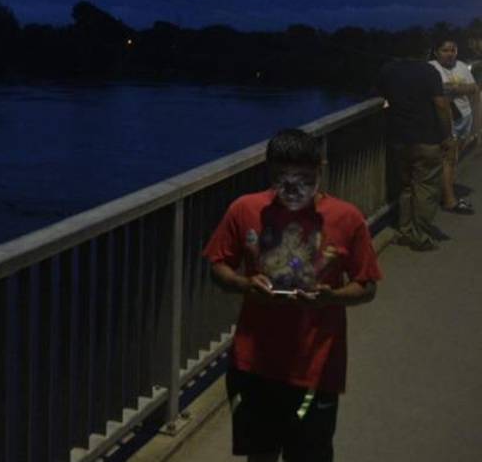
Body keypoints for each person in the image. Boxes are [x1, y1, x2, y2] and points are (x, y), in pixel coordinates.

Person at [203, 129, 381, 462]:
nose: (293, 186)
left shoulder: (347, 218)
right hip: (253, 365)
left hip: (316, 368)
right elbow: (218, 266)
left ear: (321, 169)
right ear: (269, 171)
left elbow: (367, 286)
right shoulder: (244, 209)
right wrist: (245, 284)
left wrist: (332, 297)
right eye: (282, 177)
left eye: (304, 177)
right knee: (260, 454)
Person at [377, 56, 456, 250]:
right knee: (426, 188)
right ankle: (420, 236)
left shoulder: (387, 69)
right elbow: (440, 104)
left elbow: (379, 97)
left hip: (398, 138)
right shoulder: (429, 72)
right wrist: (447, 136)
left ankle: (404, 231)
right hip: (426, 138)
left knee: (406, 187)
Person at [428, 39, 478, 214]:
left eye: (453, 50)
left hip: (465, 116)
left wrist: (454, 88)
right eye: (445, 50)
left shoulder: (462, 66)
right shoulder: (431, 67)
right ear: (436, 52)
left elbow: (473, 88)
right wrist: (459, 88)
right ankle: (449, 200)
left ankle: (446, 191)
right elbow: (439, 91)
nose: (450, 54)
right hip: (447, 120)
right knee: (447, 159)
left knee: (454, 158)